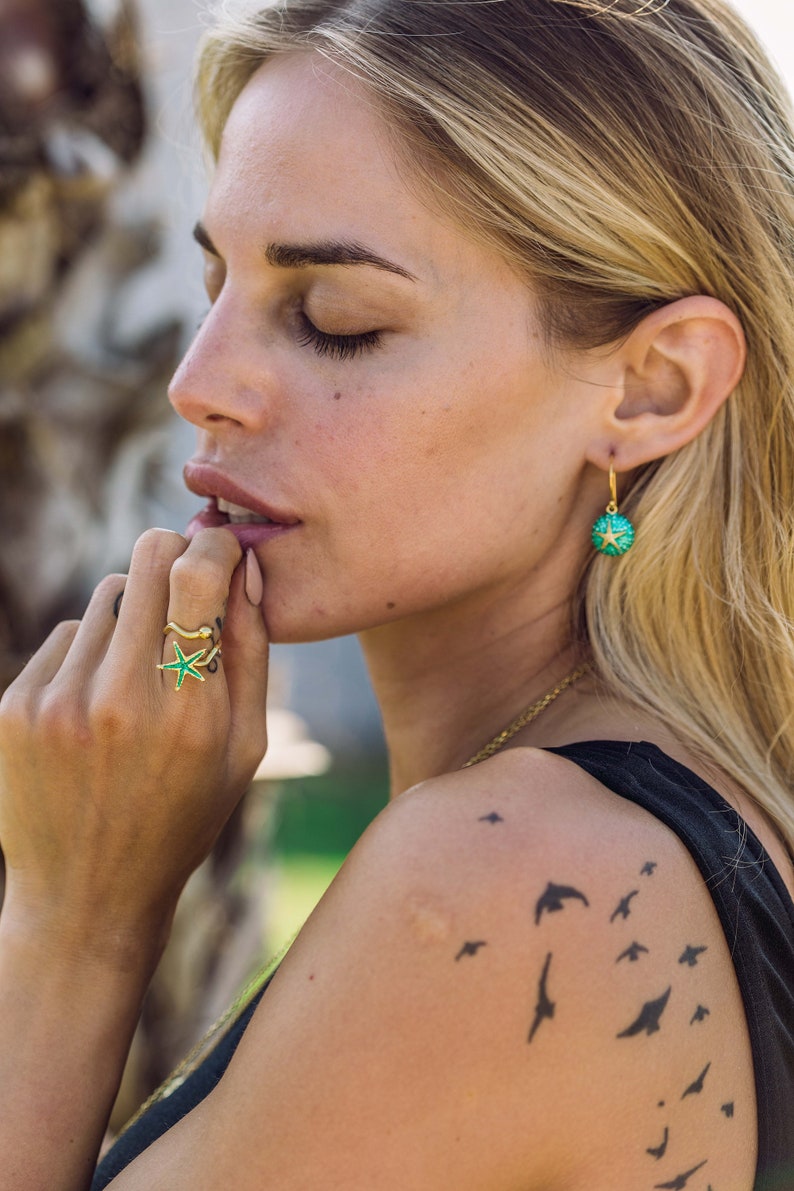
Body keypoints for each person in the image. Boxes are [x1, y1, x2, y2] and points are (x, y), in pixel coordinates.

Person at [0, 0, 792, 1186]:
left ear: (649, 388)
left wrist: (74, 927)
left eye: (335, 323)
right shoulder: (663, 822)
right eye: (214, 282)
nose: (198, 383)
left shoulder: (504, 881)